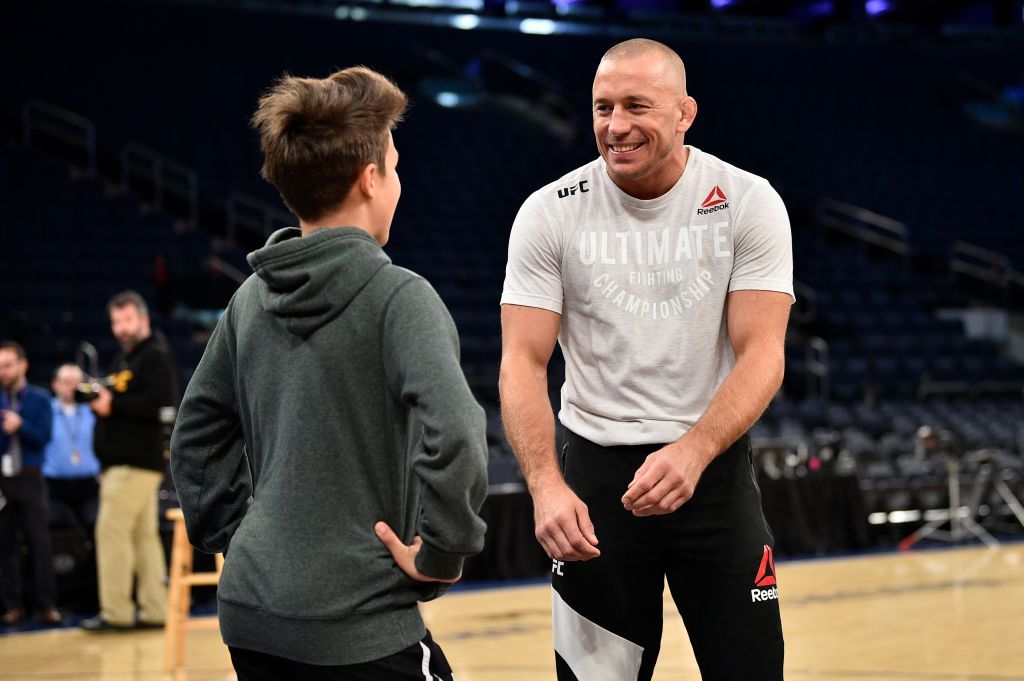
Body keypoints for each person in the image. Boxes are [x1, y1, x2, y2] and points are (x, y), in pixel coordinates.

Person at [169, 66, 488, 681]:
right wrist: (443, 556)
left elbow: (195, 438)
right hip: (359, 625)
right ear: (370, 179)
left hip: (251, 615)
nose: (399, 181)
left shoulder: (248, 299)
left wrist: (246, 539)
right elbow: (456, 436)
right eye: (394, 166)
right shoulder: (400, 297)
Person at [499, 39, 793, 681]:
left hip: (712, 476)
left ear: (686, 112)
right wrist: (547, 487)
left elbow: (763, 353)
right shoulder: (549, 213)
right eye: (604, 107)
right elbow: (522, 361)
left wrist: (693, 449)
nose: (617, 125)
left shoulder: (747, 201)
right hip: (595, 486)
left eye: (638, 106)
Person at [80, 291, 180, 632]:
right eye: (116, 321)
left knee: (110, 532)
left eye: (127, 320)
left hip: (137, 462)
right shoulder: (126, 359)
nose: (121, 328)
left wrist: (114, 406)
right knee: (142, 537)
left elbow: (164, 407)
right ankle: (155, 610)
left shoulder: (155, 356)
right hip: (125, 464)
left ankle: (117, 613)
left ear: (143, 319)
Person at [0, 341, 60, 625]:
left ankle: (46, 604)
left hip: (30, 478)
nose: (3, 371)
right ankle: (13, 605)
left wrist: (21, 424)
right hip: (2, 480)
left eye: (8, 364)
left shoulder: (39, 399)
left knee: (40, 543)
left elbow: (43, 437)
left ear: (22, 365)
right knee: (4, 545)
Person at [44, 363, 101, 529]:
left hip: (89, 485)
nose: (72, 387)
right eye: (67, 382)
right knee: (59, 525)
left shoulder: (94, 410)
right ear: (55, 384)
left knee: (97, 524)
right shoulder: (45, 410)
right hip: (54, 487)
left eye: (76, 382)